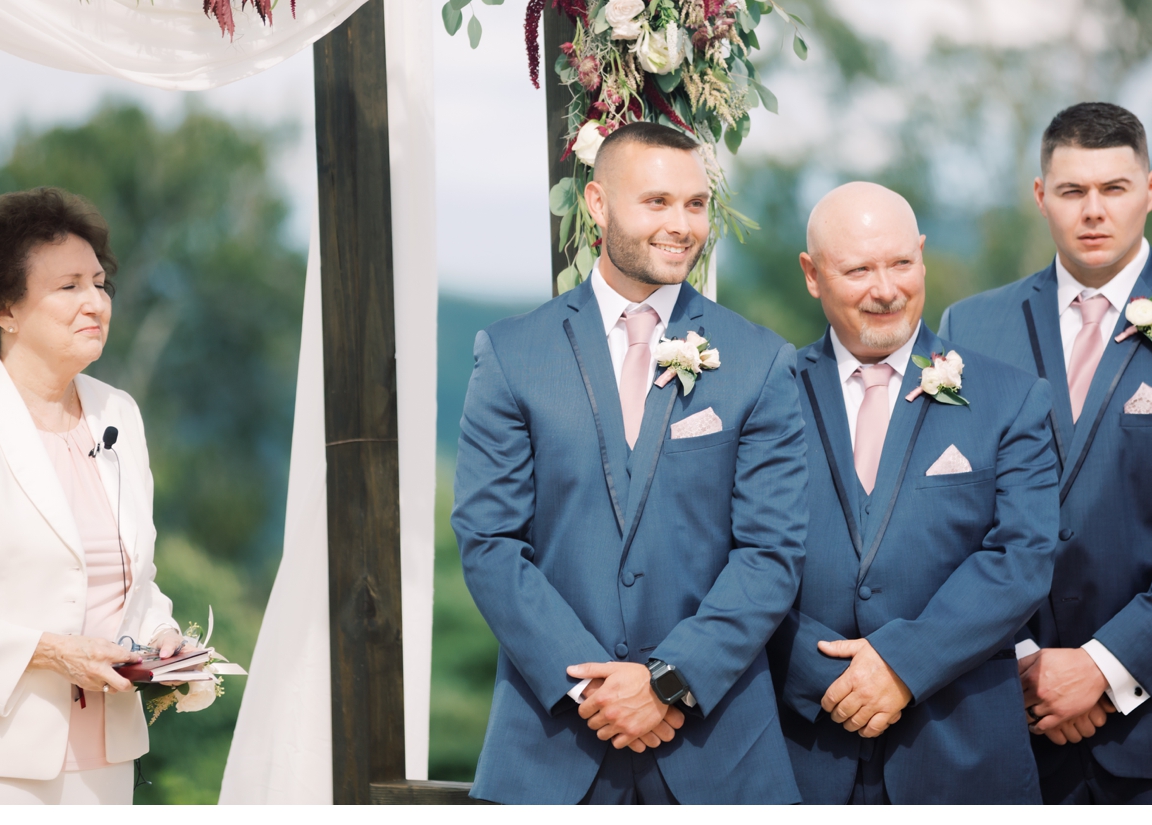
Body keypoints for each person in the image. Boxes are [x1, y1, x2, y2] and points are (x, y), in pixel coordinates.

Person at [451, 122, 809, 804]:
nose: (682, 224)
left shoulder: (761, 361)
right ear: (597, 205)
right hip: (553, 747)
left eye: (696, 204)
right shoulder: (511, 354)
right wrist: (592, 687)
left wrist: (669, 681)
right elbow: (490, 543)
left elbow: (771, 552)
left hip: (719, 756)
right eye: (657, 202)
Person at [939, 103, 1152, 804]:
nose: (1093, 211)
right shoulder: (970, 328)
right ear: (1041, 196)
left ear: (1151, 188)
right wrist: (1027, 659)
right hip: (1010, 727)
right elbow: (952, 514)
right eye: (1072, 191)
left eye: (1114, 189)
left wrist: (1102, 666)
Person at [767, 183, 1058, 804]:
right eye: (858, 269)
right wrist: (820, 674)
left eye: (901, 263)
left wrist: (902, 664)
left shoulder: (1011, 398)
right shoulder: (767, 397)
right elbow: (733, 553)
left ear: (922, 254)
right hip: (800, 755)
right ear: (812, 275)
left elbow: (1022, 560)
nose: (886, 289)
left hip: (963, 758)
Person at [0, 188, 185, 805]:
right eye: (69, 286)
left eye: (100, 284)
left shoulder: (118, 414)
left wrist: (163, 635)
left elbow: (132, 580)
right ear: (4, 308)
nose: (96, 303)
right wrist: (48, 653)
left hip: (105, 765)